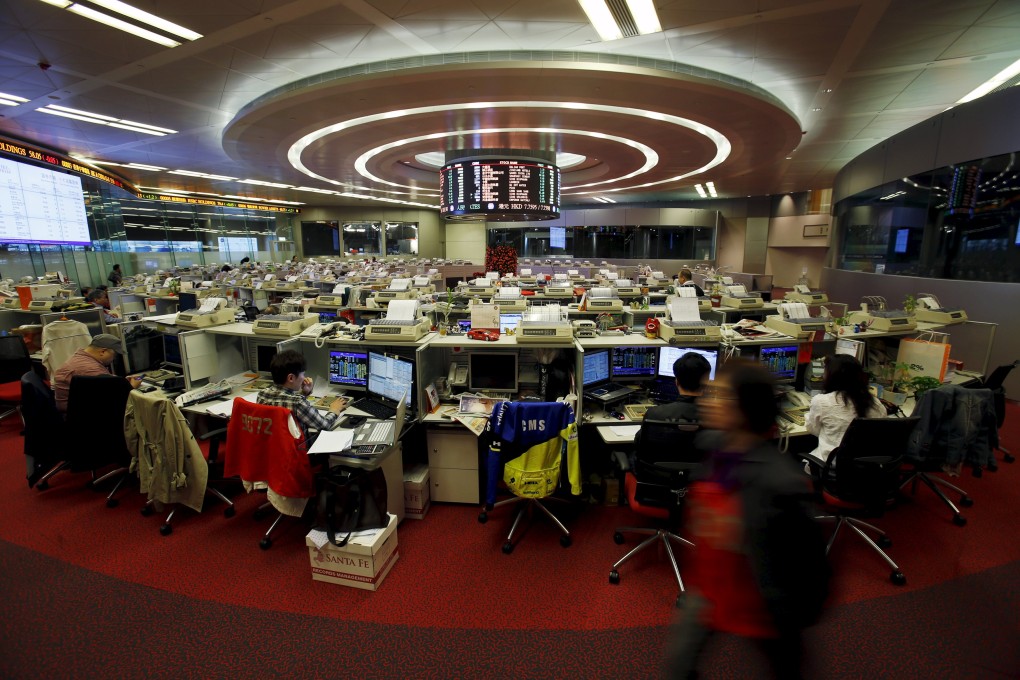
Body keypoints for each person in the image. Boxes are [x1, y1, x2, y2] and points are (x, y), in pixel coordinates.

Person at [664, 360, 829, 679]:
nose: (709, 399)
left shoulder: (781, 482)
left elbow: (812, 566)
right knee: (679, 666)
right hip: (709, 592)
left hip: (761, 603)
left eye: (720, 395)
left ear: (745, 409)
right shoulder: (715, 449)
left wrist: (792, 613)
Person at [803, 354, 886, 468]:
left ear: (832, 376)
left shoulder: (821, 401)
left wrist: (808, 415)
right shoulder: (875, 403)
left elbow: (814, 430)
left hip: (833, 464)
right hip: (867, 467)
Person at [257, 349, 346, 447]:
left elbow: (284, 400)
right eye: (302, 374)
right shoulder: (298, 403)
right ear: (291, 378)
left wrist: (304, 393)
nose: (304, 378)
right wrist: (334, 410)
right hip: (298, 455)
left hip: (273, 452)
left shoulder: (262, 394)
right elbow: (324, 425)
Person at [52, 334, 142, 413]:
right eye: (114, 355)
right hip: (83, 417)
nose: (114, 359)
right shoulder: (91, 369)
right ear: (103, 351)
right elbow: (115, 397)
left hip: (76, 413)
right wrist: (132, 387)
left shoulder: (80, 358)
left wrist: (122, 382)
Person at [637, 351, 711, 445]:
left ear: (677, 382)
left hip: (660, 459)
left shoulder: (654, 414)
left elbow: (639, 444)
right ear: (707, 383)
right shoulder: (718, 418)